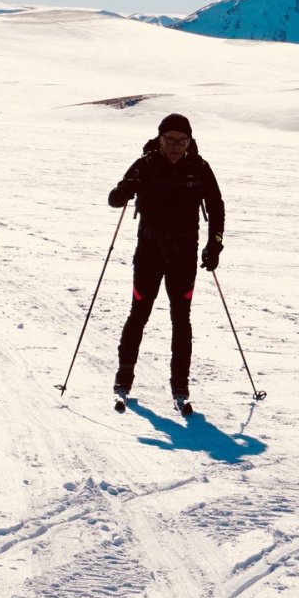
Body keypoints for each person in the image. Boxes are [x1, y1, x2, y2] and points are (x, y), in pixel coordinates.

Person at [106, 113, 225, 412]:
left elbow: (217, 206)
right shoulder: (144, 165)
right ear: (159, 139)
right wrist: (125, 189)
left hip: (184, 254)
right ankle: (124, 378)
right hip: (149, 251)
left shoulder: (199, 168)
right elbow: (114, 200)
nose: (175, 146)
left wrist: (215, 245)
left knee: (180, 320)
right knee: (139, 313)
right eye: (169, 140)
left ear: (189, 141)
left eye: (181, 140)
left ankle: (180, 385)